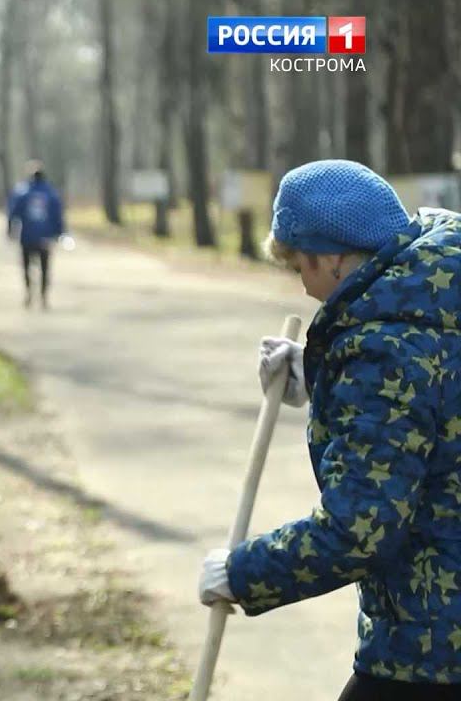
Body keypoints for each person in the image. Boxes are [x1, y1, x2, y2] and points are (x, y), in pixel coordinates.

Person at [197, 160, 460, 700]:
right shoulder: (434, 290)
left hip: (435, 644)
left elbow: (360, 526)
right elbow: (432, 402)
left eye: (301, 266)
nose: (304, 285)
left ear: (333, 256)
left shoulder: (383, 346)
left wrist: (243, 573)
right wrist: (321, 377)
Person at [6, 160, 65, 309]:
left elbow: (13, 213)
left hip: (27, 237)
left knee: (26, 267)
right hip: (44, 238)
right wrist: (59, 232)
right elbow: (57, 214)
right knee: (45, 268)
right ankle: (43, 296)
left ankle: (28, 293)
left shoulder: (22, 192)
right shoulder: (50, 193)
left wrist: (10, 230)